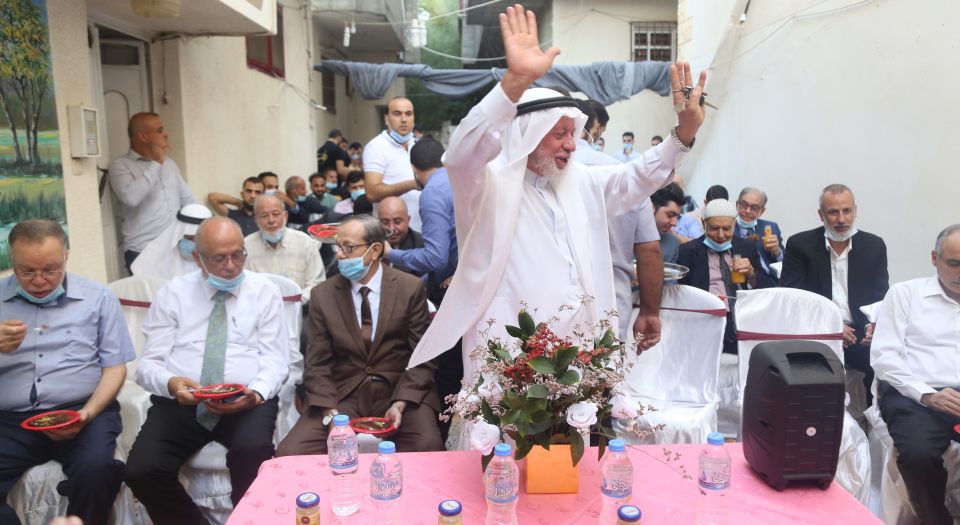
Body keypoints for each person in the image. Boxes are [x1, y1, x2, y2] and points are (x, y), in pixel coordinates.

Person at [406, 5, 706, 382]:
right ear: (529, 134)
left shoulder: (582, 182)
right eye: (559, 133)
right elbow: (462, 154)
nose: (571, 144)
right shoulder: (487, 186)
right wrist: (515, 81)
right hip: (510, 359)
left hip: (579, 358)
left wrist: (684, 132)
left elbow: (638, 177)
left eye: (573, 133)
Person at [125, 217, 288, 525]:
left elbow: (276, 360)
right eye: (219, 258)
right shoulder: (173, 293)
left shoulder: (264, 291)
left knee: (253, 453)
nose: (231, 266)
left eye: (238, 255)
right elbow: (147, 365)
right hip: (184, 402)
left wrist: (256, 393)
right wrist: (172, 383)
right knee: (142, 469)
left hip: (245, 400)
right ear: (198, 258)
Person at [0, 220, 134, 525]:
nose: (39, 281)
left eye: (50, 270)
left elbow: (114, 367)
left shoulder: (98, 298)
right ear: (12, 261)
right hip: (9, 419)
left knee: (97, 469)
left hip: (81, 411)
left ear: (66, 257)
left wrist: (87, 413)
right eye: (26, 271)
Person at [276, 216, 443, 455]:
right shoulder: (323, 295)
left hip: (398, 390)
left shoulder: (409, 288)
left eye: (348, 247)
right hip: (343, 394)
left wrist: (401, 403)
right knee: (291, 453)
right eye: (338, 247)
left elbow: (422, 357)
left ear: (374, 250)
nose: (340, 255)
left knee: (427, 446)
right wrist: (331, 413)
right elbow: (317, 364)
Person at [871, 224, 960, 525]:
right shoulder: (906, 294)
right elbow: (884, 357)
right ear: (935, 259)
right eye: (954, 263)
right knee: (919, 454)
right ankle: (936, 519)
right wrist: (928, 395)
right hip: (915, 395)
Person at [781, 184, 888, 408]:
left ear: (855, 211)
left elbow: (881, 297)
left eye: (846, 211)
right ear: (821, 215)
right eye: (833, 212)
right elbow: (792, 299)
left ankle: (875, 419)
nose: (841, 219)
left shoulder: (874, 246)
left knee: (885, 362)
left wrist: (873, 325)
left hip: (859, 331)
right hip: (816, 330)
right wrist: (831, 325)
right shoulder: (799, 245)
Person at [572, 100, 663, 347]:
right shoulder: (623, 173)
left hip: (549, 308)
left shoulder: (536, 172)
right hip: (611, 305)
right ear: (593, 128)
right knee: (605, 368)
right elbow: (649, 250)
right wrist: (649, 312)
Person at [678, 199, 776, 354]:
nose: (720, 235)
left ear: (734, 225)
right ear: (703, 223)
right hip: (705, 319)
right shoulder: (687, 252)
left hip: (741, 318)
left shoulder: (746, 247)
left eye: (726, 228)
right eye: (714, 228)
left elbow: (769, 287)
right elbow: (681, 295)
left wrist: (751, 273)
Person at [108, 112, 196, 272]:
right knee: (148, 290)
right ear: (143, 136)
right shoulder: (120, 165)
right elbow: (131, 198)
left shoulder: (170, 164)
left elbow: (189, 200)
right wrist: (156, 163)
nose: (166, 134)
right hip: (142, 251)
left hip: (174, 248)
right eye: (159, 130)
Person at [384, 139, 458, 305]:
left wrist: (390, 254)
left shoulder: (432, 192)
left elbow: (436, 258)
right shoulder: (457, 179)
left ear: (413, 169)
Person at [244, 195, 326, 303]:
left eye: (276, 214)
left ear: (285, 216)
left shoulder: (305, 243)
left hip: (299, 307)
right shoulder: (246, 246)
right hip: (260, 308)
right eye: (264, 215)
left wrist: (294, 300)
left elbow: (317, 283)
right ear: (255, 219)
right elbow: (244, 286)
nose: (271, 220)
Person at [363, 97, 422, 230]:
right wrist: (412, 184)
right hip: (391, 233)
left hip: (421, 232)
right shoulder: (376, 146)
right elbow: (372, 193)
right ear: (386, 119)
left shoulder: (417, 145)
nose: (404, 119)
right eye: (397, 114)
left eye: (408, 114)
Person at [131, 204, 213, 280]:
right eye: (189, 238)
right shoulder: (155, 255)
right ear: (178, 234)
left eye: (198, 239)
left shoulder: (216, 260)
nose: (193, 243)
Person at [733, 187, 784, 280]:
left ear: (762, 211)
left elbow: (786, 261)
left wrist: (777, 252)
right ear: (737, 205)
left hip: (773, 281)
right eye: (744, 205)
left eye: (754, 208)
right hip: (742, 281)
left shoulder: (771, 227)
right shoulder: (728, 230)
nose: (748, 211)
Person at [651, 183, 686, 264]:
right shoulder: (626, 237)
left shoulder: (672, 242)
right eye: (670, 215)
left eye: (677, 217)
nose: (675, 223)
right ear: (651, 208)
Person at [670, 173, 704, 242]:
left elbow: (698, 241)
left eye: (676, 185)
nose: (674, 189)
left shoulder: (689, 202)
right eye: (671, 186)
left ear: (683, 187)